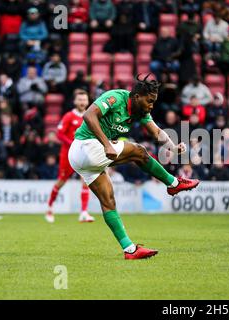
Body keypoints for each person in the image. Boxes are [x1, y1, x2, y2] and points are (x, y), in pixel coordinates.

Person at [68, 74, 200, 260]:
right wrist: (107, 144)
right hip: (85, 146)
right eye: (150, 101)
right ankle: (173, 183)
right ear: (137, 96)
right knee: (139, 151)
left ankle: (129, 249)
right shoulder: (115, 98)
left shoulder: (141, 111)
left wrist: (173, 147)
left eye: (154, 102)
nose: (151, 105)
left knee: (109, 201)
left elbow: (156, 132)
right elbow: (89, 115)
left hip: (85, 160)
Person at [46, 90, 94, 223]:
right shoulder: (69, 116)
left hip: (84, 155)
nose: (82, 102)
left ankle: (84, 212)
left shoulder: (90, 116)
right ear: (75, 101)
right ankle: (50, 207)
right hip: (68, 155)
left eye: (84, 100)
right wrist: (73, 143)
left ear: (88, 101)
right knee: (61, 181)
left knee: (86, 180)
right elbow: (59, 134)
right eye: (80, 99)